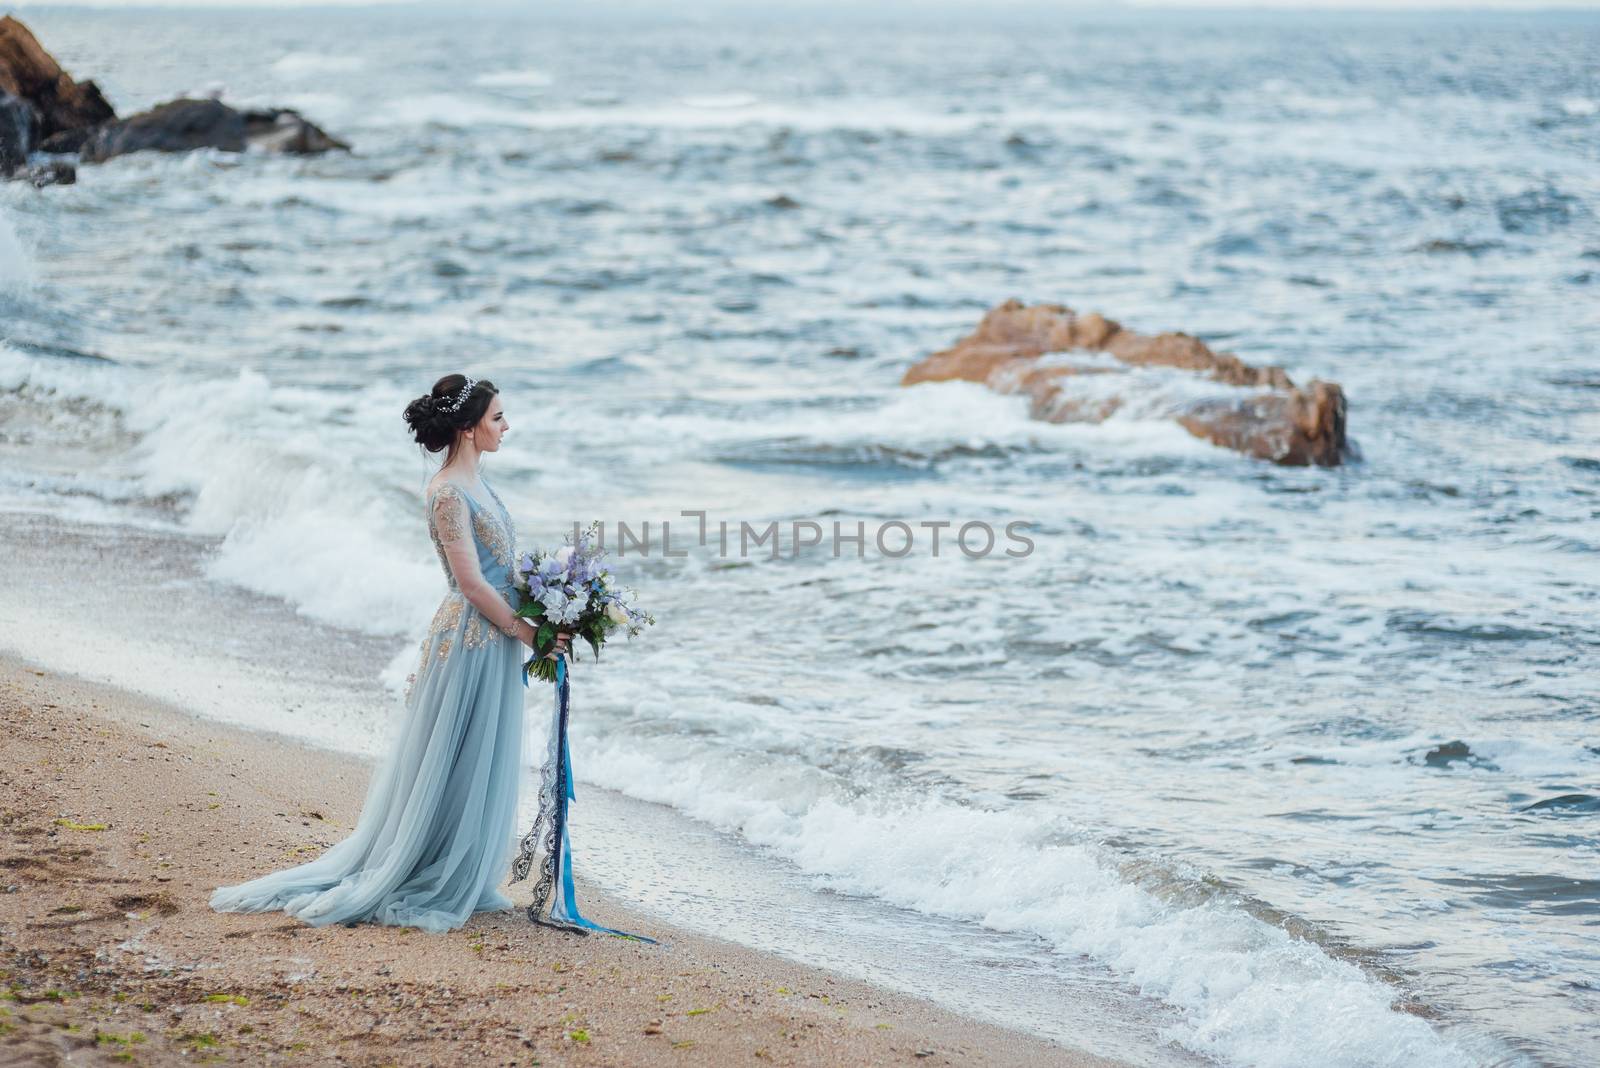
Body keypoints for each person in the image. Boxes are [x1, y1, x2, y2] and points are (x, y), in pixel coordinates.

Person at [208, 373, 570, 933]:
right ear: (470, 429)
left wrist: (555, 606)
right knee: (455, 754)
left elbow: (504, 571)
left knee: (481, 756)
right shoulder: (447, 491)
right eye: (498, 417)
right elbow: (472, 584)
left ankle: (461, 868)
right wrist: (529, 634)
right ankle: (424, 869)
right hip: (472, 638)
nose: (506, 426)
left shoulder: (480, 484)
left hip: (495, 635)